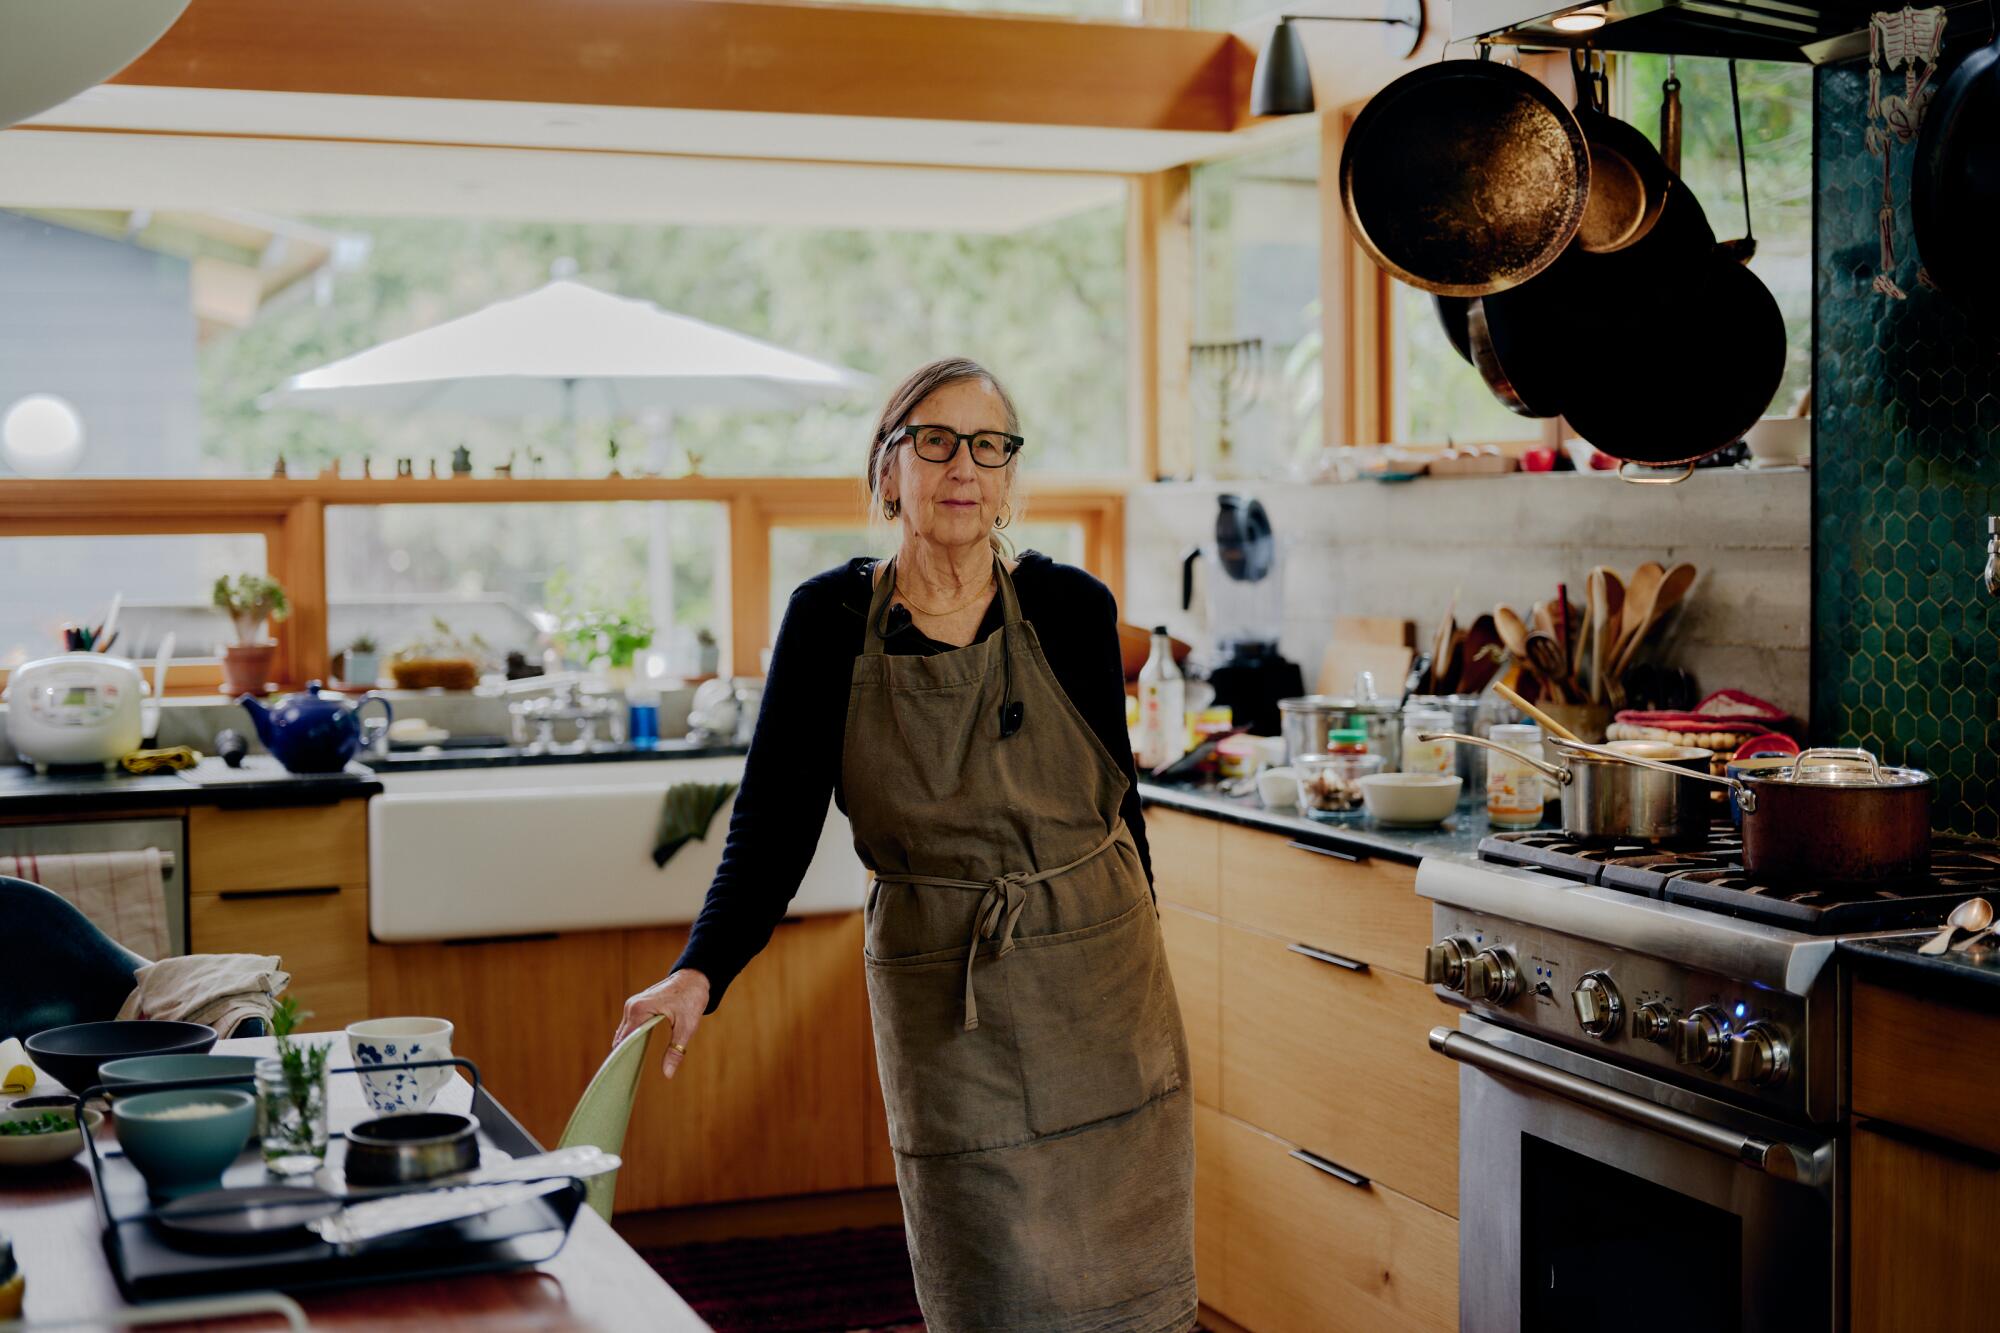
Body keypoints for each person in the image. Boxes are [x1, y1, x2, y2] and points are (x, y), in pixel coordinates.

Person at [615, 356, 1196, 1331]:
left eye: (986, 445)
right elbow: (772, 822)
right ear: (889, 472)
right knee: (988, 1280)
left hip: (1101, 986)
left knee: (1128, 1291)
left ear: (1008, 478)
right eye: (933, 441)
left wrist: (1144, 926)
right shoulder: (828, 621)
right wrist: (698, 971)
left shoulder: (1073, 611)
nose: (961, 465)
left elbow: (1116, 804)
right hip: (945, 996)